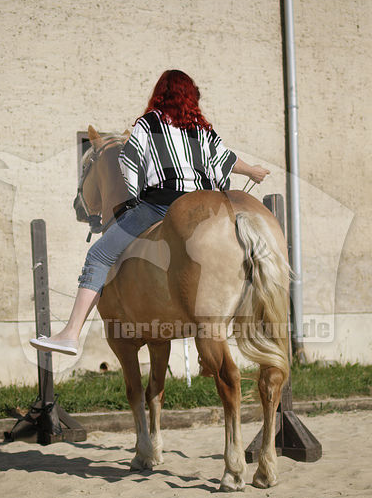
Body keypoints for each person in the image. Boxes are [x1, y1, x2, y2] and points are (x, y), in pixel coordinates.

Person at [30, 70, 269, 355]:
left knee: (98, 255)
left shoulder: (148, 123)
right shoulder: (201, 127)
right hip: (207, 203)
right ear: (191, 97)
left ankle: (70, 334)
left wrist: (139, 192)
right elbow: (225, 157)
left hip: (161, 204)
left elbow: (129, 163)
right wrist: (252, 170)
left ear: (159, 93)